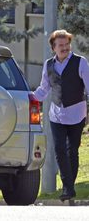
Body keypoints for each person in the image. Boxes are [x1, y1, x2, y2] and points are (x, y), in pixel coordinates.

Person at [34, 29, 89, 201]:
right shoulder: (49, 64)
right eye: (61, 45)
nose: (64, 48)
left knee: (72, 150)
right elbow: (44, 89)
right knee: (59, 149)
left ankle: (69, 186)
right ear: (54, 48)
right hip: (56, 114)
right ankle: (67, 188)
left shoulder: (81, 62)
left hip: (76, 113)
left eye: (67, 44)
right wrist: (30, 97)